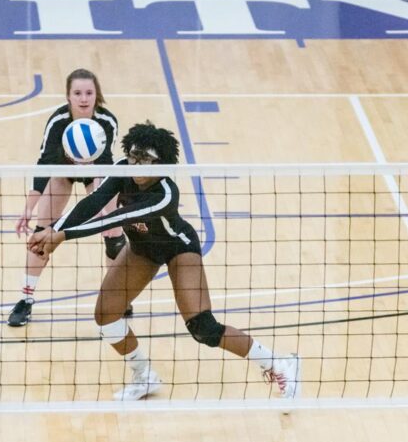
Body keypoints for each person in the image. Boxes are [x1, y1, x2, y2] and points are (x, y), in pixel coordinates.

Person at [28, 122, 302, 401]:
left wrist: (62, 235)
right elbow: (95, 201)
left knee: (202, 328)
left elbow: (118, 218)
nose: (136, 165)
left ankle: (280, 364)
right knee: (106, 315)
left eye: (146, 160)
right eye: (134, 156)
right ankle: (144, 376)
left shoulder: (165, 195)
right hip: (141, 249)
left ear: (162, 164)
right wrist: (53, 229)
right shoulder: (123, 169)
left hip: (177, 248)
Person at [9, 68, 127, 327]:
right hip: (62, 171)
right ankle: (25, 300)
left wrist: (104, 216)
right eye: (77, 93)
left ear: (97, 95)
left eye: (89, 93)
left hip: (95, 172)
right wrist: (28, 208)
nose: (83, 99)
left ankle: (119, 297)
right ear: (68, 96)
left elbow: (105, 169)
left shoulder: (107, 122)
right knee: (43, 233)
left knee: (115, 233)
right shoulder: (58, 121)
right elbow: (44, 164)